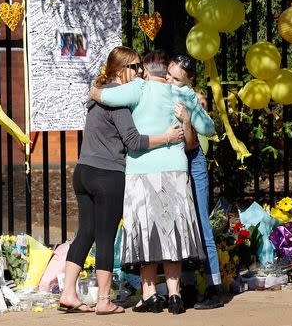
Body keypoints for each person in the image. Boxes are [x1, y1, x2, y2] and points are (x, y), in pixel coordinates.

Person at [58, 46, 184, 315]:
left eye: (141, 67)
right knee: (105, 236)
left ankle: (68, 293)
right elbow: (134, 141)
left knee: (86, 233)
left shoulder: (97, 98)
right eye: (135, 66)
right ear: (120, 69)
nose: (140, 72)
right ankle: (104, 300)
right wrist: (167, 137)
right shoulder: (117, 101)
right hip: (107, 175)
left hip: (83, 172)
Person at [89, 51, 215, 315]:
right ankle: (174, 294)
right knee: (173, 232)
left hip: (142, 169)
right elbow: (208, 127)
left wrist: (94, 91)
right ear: (165, 72)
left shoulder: (139, 88)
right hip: (175, 169)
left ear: (146, 70)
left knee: (146, 231)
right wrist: (189, 113)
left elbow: (108, 96)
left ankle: (149, 295)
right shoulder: (181, 93)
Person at [167, 54, 224, 310]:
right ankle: (187, 286)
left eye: (176, 78)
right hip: (170, 162)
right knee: (180, 223)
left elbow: (209, 128)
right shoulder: (160, 90)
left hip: (193, 160)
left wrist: (190, 105)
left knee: (200, 222)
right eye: (168, 73)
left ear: (188, 81)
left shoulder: (187, 95)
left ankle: (215, 287)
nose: (170, 80)